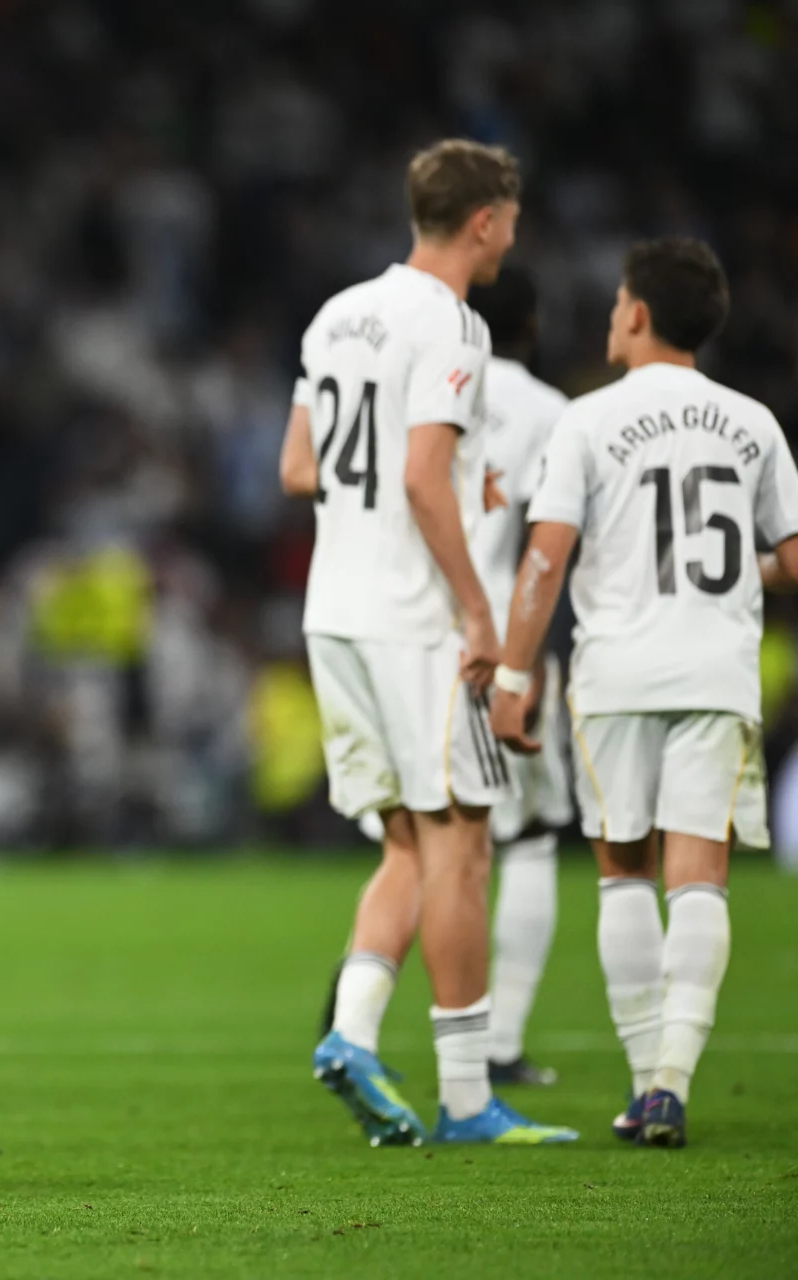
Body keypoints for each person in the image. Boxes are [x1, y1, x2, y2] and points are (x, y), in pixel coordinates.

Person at [278, 141, 574, 1144]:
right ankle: (465, 1097)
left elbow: (296, 467)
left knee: (408, 838)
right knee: (463, 846)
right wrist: (480, 614)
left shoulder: (336, 313)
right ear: (486, 219)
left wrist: (386, 499)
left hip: (334, 608)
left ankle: (353, 1032)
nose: (513, 234)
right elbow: (418, 476)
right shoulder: (450, 323)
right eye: (513, 217)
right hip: (414, 618)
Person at [491, 237, 798, 1148]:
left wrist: (512, 671)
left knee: (623, 870)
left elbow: (546, 556)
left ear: (633, 314)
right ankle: (670, 1081)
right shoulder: (755, 423)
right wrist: (731, 572)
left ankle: (640, 1082)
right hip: (716, 669)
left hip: (617, 674)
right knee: (698, 875)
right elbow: (792, 559)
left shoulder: (586, 421)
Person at [463, 268, 574, 1087]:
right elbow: (551, 547)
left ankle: (357, 1001)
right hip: (510, 644)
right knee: (529, 839)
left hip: (422, 636)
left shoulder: (427, 391)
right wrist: (529, 660)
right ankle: (497, 1045)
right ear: (530, 325)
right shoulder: (551, 412)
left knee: (430, 835)